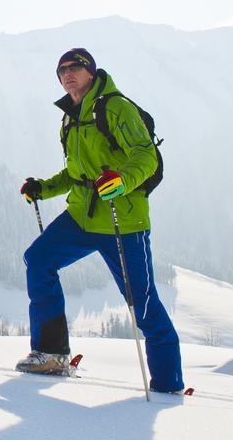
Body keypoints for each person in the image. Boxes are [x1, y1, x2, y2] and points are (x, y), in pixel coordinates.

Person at [17, 48, 183, 392]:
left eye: (75, 67)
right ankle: (51, 353)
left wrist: (121, 181)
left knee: (144, 303)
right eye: (61, 70)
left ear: (91, 71)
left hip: (123, 220)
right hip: (82, 215)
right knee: (39, 259)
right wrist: (43, 188)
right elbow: (76, 174)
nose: (67, 74)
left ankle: (168, 385)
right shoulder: (70, 117)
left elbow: (146, 157)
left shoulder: (115, 107)